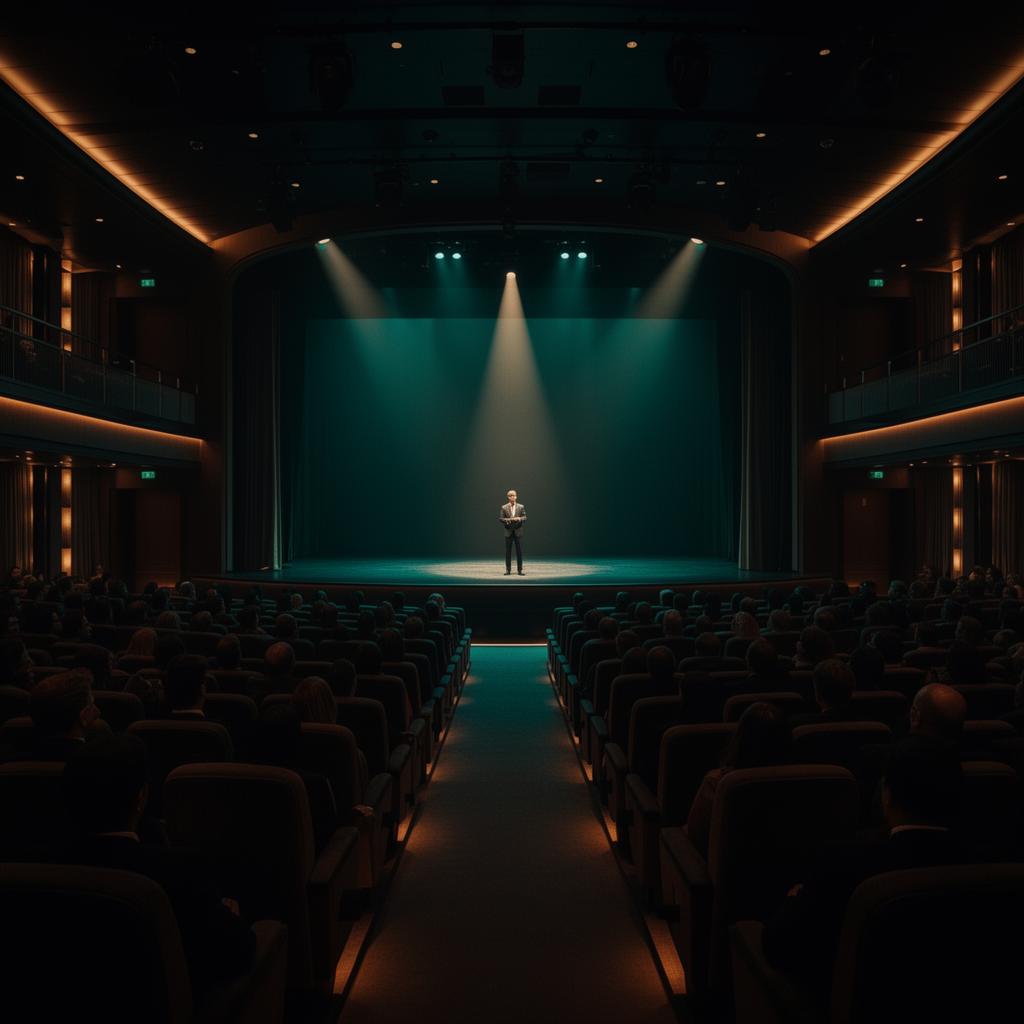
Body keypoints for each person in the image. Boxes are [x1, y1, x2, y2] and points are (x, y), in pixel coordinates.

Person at [59, 734, 256, 997]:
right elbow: (237, 952)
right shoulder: (179, 872)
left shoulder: (33, 867)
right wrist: (230, 917)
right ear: (141, 798)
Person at [500, 488, 527, 575]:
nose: (513, 497)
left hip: (518, 531)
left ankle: (520, 570)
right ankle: (508, 570)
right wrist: (508, 519)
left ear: (516, 496)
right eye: (511, 496)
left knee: (519, 551)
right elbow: (501, 518)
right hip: (508, 531)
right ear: (508, 497)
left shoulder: (521, 506)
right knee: (508, 552)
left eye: (514, 495)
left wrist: (519, 518)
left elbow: (525, 517)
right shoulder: (504, 507)